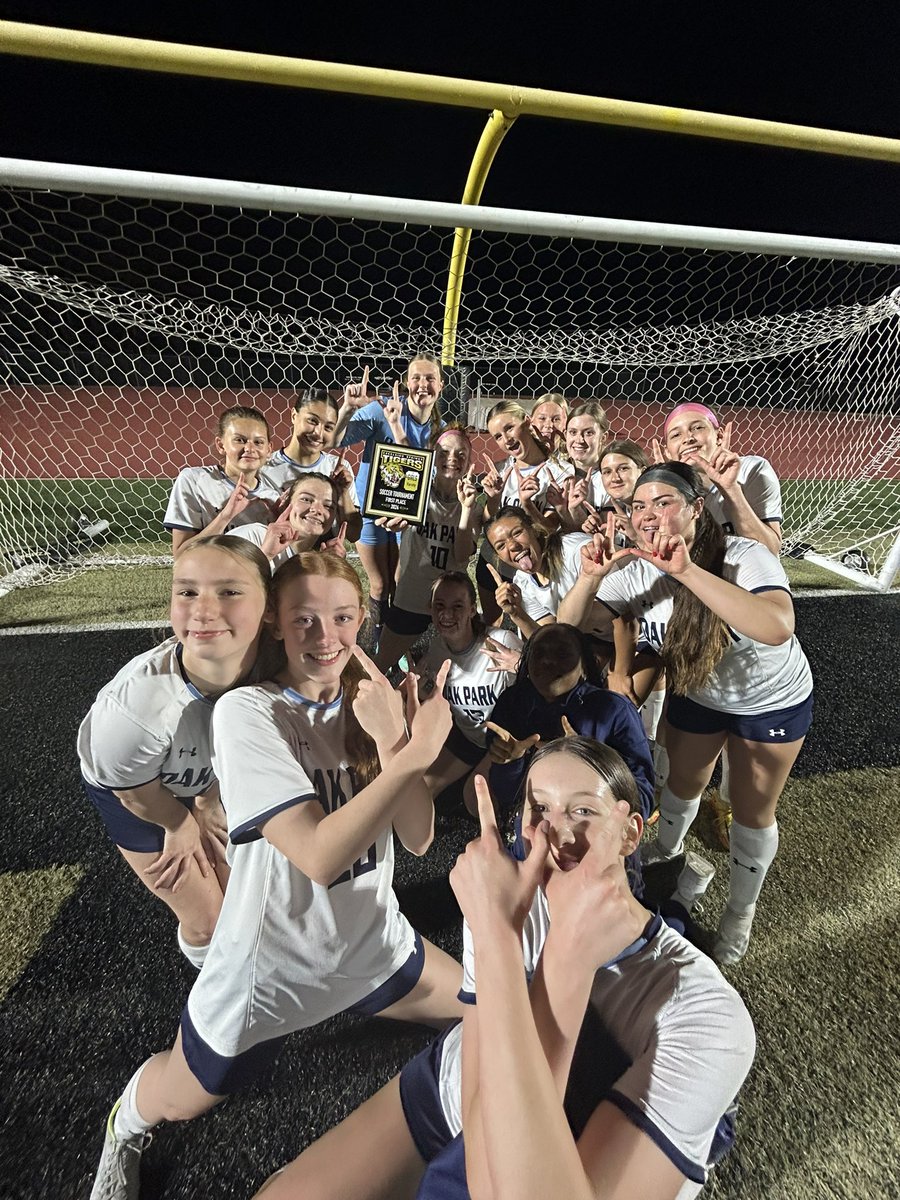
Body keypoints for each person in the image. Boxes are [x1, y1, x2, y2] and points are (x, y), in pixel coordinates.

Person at [89, 551, 465, 1200]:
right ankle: (124, 1124)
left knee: (489, 1019)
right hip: (267, 972)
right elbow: (316, 855)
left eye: (342, 618)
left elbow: (419, 834)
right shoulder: (247, 715)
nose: (325, 637)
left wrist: (394, 742)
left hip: (372, 945)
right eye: (304, 619)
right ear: (276, 626)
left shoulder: (367, 699)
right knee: (180, 1096)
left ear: (361, 620)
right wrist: (414, 758)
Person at [253, 737, 755, 1200]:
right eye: (539, 808)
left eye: (582, 809)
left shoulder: (707, 1017)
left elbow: (498, 1186)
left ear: (630, 833)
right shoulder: (501, 899)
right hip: (456, 1089)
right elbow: (478, 1121)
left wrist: (552, 953)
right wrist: (497, 929)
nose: (557, 831)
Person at [559, 461, 813, 964]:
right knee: (680, 786)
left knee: (752, 810)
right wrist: (590, 578)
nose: (648, 515)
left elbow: (777, 625)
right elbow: (563, 635)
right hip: (699, 694)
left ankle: (740, 911)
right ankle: (667, 850)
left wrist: (688, 572)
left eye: (663, 502)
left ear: (697, 509)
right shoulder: (632, 572)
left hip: (770, 700)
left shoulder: (742, 556)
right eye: (638, 506)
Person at [77, 535, 272, 969]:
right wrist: (179, 821)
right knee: (209, 921)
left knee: (245, 894)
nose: (203, 609)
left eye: (229, 591)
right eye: (187, 592)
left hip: (199, 777)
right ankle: (215, 994)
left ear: (270, 608)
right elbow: (134, 792)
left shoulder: (275, 671)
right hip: (138, 792)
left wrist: (209, 796)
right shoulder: (136, 712)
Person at [483, 622, 655, 825]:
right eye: (539, 653)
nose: (547, 660)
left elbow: (642, 800)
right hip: (534, 835)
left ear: (584, 665)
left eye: (562, 653)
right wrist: (511, 762)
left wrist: (590, 761)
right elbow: (506, 795)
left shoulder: (614, 712)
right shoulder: (513, 703)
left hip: (593, 838)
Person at [333, 358, 445, 640]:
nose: (423, 385)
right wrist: (347, 408)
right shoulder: (381, 409)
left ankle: (398, 642)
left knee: (401, 584)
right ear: (407, 382)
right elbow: (335, 439)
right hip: (369, 510)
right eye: (416, 378)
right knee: (380, 585)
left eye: (430, 378)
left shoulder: (441, 430)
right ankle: (375, 639)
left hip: (407, 518)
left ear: (441, 385)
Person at [375, 427, 482, 672]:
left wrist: (466, 511)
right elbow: (389, 510)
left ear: (469, 461)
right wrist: (389, 519)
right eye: (444, 452)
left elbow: (462, 556)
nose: (452, 458)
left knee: (455, 670)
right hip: (412, 593)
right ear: (433, 456)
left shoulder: (472, 502)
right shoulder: (416, 490)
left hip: (452, 600)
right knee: (380, 664)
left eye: (461, 453)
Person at [413, 572, 523, 807]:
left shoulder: (501, 642)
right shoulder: (437, 649)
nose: (447, 614)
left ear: (473, 609)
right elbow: (437, 700)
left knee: (474, 801)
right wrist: (421, 692)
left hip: (506, 741)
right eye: (439, 605)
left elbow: (540, 692)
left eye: (458, 606)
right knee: (420, 789)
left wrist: (521, 666)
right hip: (470, 738)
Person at [477, 400, 574, 624]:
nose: (506, 439)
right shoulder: (501, 470)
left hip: (535, 568)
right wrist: (492, 498)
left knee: (538, 630)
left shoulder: (560, 471)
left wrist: (528, 504)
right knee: (494, 623)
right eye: (498, 436)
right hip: (495, 563)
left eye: (509, 428)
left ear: (527, 423)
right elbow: (487, 523)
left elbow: (552, 527)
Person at [656, 402, 783, 555]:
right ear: (668, 452)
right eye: (676, 435)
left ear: (719, 436)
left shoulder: (751, 471)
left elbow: (770, 552)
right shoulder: (665, 490)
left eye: (697, 428)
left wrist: (730, 489)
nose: (688, 438)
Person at [163, 406, 283, 555]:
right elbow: (181, 555)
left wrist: (284, 519)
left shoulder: (272, 499)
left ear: (269, 449)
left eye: (258, 442)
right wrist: (225, 516)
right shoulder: (194, 480)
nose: (249, 448)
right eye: (239, 440)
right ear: (221, 445)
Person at [484, 505, 608, 644]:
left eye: (517, 533)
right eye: (501, 546)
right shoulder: (522, 582)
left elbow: (622, 619)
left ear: (534, 529)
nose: (512, 546)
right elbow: (550, 642)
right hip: (590, 641)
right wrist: (516, 613)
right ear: (499, 557)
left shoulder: (576, 551)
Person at [265, 387, 362, 542]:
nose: (318, 432)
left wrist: (343, 493)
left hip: (323, 560)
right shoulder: (265, 469)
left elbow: (353, 535)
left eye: (328, 427)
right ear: (293, 415)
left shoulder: (338, 467)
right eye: (312, 421)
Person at [229, 472, 347, 571]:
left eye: (328, 506)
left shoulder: (315, 563)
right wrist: (266, 555)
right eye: (306, 499)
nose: (317, 510)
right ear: (286, 503)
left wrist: (332, 571)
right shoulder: (253, 536)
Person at [560, 400, 612, 529]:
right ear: (565, 434)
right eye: (573, 432)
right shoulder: (557, 473)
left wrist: (576, 510)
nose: (579, 440)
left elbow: (608, 536)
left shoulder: (613, 477)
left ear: (603, 437)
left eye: (589, 433)